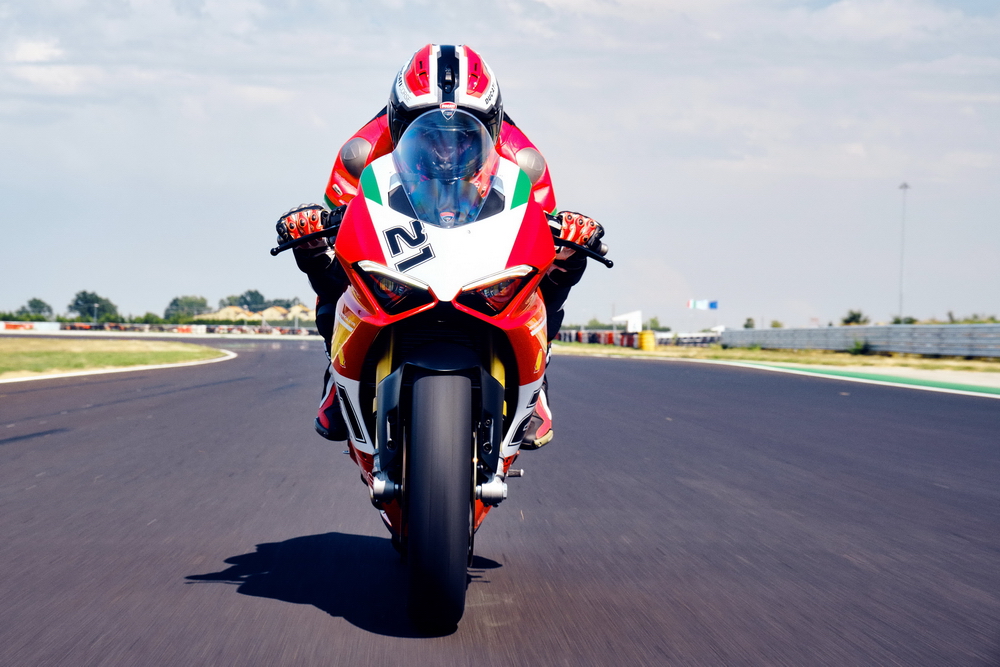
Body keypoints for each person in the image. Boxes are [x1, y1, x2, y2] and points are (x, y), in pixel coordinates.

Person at [276, 44, 604, 449]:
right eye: (429, 136)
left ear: (493, 126)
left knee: (556, 265)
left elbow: (538, 237)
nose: (447, 153)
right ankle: (336, 370)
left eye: (464, 137)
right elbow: (338, 230)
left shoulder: (524, 159)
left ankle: (538, 382)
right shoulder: (360, 152)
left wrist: (571, 238)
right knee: (327, 262)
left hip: (477, 237)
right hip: (403, 240)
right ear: (397, 122)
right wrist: (311, 234)